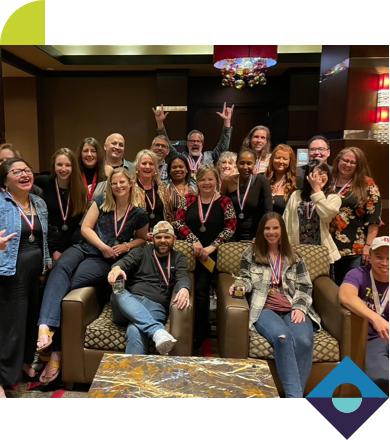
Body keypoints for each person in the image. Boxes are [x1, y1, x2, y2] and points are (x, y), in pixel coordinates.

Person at [36, 167, 148, 384]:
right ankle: (44, 327)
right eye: (114, 183)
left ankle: (57, 350)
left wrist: (125, 246)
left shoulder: (139, 213)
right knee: (60, 270)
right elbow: (87, 228)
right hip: (85, 248)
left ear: (131, 183)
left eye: (122, 182)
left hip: (103, 261)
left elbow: (143, 240)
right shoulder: (101, 202)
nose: (118, 186)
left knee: (71, 285)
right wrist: (103, 246)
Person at [231, 212, 321, 398]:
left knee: (304, 341)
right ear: (261, 230)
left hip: (292, 307)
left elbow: (305, 285)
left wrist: (299, 307)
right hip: (265, 308)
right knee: (282, 338)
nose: (271, 232)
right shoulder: (251, 254)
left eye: (275, 228)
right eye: (267, 228)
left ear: (282, 230)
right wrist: (239, 286)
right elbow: (246, 279)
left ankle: (294, 394)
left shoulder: (294, 257)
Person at [0, 158, 51, 398]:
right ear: (5, 180)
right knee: (10, 327)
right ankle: (1, 379)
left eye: (27, 170)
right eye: (17, 171)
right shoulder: (1, 203)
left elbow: (44, 239)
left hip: (35, 273)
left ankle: (19, 366)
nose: (24, 174)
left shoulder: (39, 202)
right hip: (10, 273)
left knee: (30, 322)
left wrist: (46, 265)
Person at [174, 163, 237, 350]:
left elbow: (231, 227)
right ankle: (195, 334)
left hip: (215, 256)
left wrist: (212, 246)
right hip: (191, 255)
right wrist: (193, 240)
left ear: (217, 181)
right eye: (202, 179)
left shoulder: (225, 202)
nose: (206, 183)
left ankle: (203, 337)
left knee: (208, 291)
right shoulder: (189, 199)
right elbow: (178, 222)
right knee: (196, 292)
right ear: (197, 181)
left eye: (210, 179)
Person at [108, 221, 191, 355]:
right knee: (117, 292)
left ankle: (133, 376)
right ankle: (157, 331)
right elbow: (125, 262)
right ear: (152, 239)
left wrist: (184, 288)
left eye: (167, 237)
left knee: (135, 331)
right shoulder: (141, 251)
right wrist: (117, 268)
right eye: (158, 237)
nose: (162, 241)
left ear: (174, 240)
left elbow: (183, 276)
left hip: (155, 306)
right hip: (127, 304)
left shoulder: (179, 258)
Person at [339, 236, 389, 394]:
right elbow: (346, 296)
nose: (385, 263)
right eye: (379, 257)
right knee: (380, 380)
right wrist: (375, 318)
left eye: (389, 258)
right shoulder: (358, 274)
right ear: (370, 257)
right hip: (373, 338)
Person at [330, 147, 383, 286]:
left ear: (358, 166)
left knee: (350, 289)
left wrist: (368, 246)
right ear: (338, 161)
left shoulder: (367, 185)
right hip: (327, 248)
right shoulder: (328, 181)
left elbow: (374, 220)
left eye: (352, 163)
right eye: (345, 160)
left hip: (354, 250)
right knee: (327, 293)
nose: (347, 165)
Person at [152, 102, 234, 186]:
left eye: (198, 141)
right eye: (192, 141)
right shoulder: (181, 158)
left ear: (202, 144)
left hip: (205, 191)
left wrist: (227, 122)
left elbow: (223, 146)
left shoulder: (210, 156)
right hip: (186, 194)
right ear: (187, 143)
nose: (195, 143)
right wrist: (160, 123)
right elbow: (166, 143)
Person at [283, 160, 341, 271]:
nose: (319, 177)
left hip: (321, 252)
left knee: (321, 286)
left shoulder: (333, 197)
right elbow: (286, 221)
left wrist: (317, 190)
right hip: (297, 251)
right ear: (308, 177)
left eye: (323, 173)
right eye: (315, 173)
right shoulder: (296, 195)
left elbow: (326, 216)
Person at [34, 148, 89, 263]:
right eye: (59, 165)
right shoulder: (43, 182)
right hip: (46, 239)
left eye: (68, 165)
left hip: (69, 241)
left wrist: (60, 250)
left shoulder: (80, 190)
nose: (63, 169)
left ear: (73, 167)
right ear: (54, 165)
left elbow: (73, 225)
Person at [221, 148, 272, 242]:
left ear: (255, 164)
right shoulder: (228, 181)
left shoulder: (262, 181)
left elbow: (268, 211)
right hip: (231, 233)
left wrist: (261, 235)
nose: (245, 167)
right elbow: (221, 208)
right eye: (242, 163)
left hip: (254, 235)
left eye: (249, 163)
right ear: (236, 164)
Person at [133, 149, 174, 241]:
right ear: (137, 167)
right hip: (138, 239)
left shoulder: (162, 187)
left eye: (151, 164)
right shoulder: (130, 188)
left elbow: (170, 215)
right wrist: (141, 234)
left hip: (162, 237)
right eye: (144, 163)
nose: (147, 167)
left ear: (155, 168)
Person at [265, 144, 303, 216]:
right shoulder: (263, 178)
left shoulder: (297, 181)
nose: (281, 161)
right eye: (277, 158)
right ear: (272, 159)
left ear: (290, 162)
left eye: (285, 159)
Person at [75, 136, 107, 203]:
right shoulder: (74, 175)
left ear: (98, 154)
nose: (89, 154)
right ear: (80, 154)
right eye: (85, 151)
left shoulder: (106, 175)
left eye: (93, 151)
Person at [166, 154, 196, 219]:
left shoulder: (194, 190)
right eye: (174, 167)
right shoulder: (165, 190)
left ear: (187, 170)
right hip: (171, 226)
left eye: (181, 167)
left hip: (190, 227)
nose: (178, 169)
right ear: (169, 171)